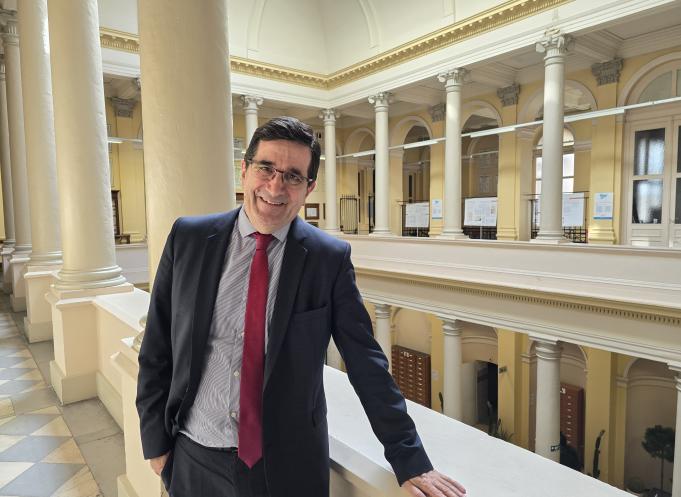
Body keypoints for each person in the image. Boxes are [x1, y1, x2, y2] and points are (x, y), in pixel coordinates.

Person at [136, 116, 466, 497]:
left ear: (308, 188)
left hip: (286, 468)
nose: (275, 186)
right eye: (266, 168)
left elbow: (366, 363)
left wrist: (411, 459)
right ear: (244, 170)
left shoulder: (329, 260)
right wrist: (156, 443)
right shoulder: (190, 238)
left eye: (293, 176)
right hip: (194, 458)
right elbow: (157, 345)